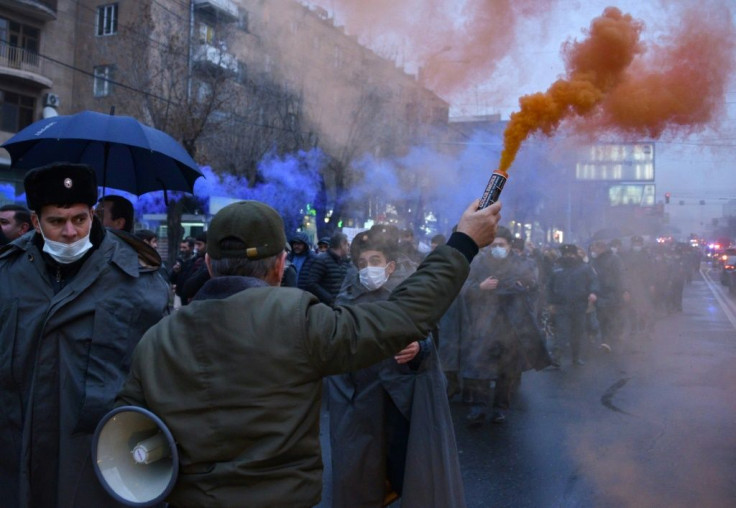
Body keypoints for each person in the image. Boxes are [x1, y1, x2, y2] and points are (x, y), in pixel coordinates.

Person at [115, 198, 501, 508]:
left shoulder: (157, 339)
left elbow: (127, 439)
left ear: (210, 264)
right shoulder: (299, 319)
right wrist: (463, 242)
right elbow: (402, 316)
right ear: (281, 265)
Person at [0, 162, 170, 508]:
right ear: (35, 222)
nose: (70, 232)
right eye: (56, 221)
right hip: (16, 448)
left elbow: (163, 370)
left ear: (93, 214)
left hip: (101, 455)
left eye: (80, 219)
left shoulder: (136, 279)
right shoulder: (8, 273)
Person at [327, 226, 465, 508]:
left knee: (407, 470)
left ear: (389, 266)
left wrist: (418, 348)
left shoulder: (407, 294)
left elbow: (427, 336)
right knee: (363, 472)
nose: (368, 269)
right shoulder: (346, 298)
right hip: (362, 400)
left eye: (375, 261)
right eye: (362, 264)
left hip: (400, 400)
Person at [461, 226, 550, 425]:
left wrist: (522, 286)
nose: (497, 248)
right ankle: (478, 408)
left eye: (501, 245)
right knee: (480, 368)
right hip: (484, 324)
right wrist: (480, 287)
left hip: (512, 326)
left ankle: (500, 408)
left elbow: (533, 284)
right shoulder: (478, 262)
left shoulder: (521, 263)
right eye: (493, 245)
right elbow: (464, 287)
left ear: (510, 246)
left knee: (507, 371)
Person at [546, 244, 599, 367]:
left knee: (577, 332)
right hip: (561, 306)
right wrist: (550, 303)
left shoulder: (585, 268)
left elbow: (593, 281)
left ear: (575, 255)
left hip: (579, 306)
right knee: (562, 332)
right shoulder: (556, 269)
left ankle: (576, 357)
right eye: (566, 254)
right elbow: (549, 287)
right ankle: (557, 357)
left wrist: (593, 292)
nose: (568, 257)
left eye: (571, 254)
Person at [303, 231, 351, 305]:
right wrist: (330, 299)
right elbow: (311, 284)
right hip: (325, 308)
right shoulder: (322, 260)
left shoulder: (344, 262)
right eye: (347, 245)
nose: (348, 248)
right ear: (342, 244)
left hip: (340, 307)